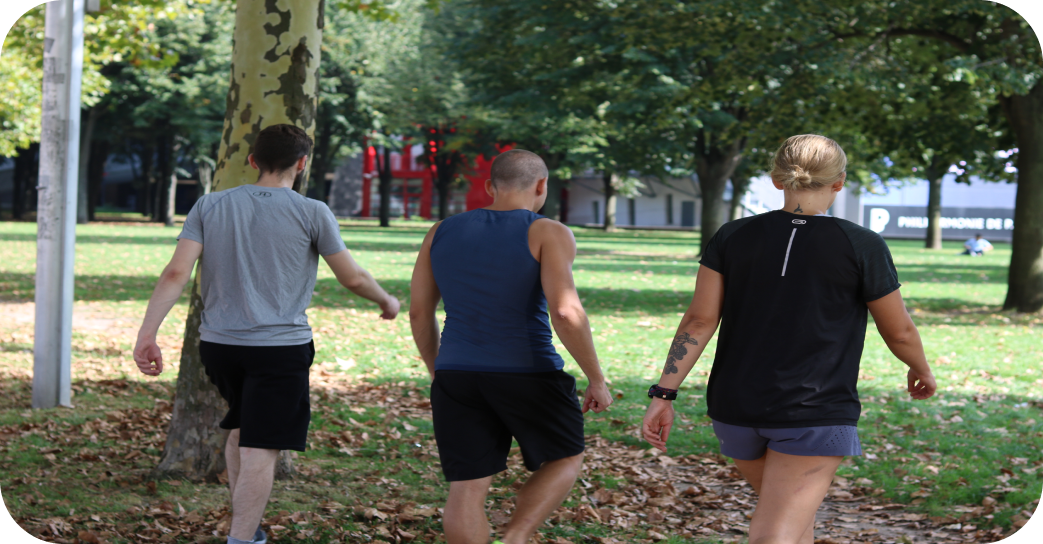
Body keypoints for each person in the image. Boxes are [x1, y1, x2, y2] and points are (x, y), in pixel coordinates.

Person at [641, 134, 937, 544]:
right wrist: (921, 369)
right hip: (814, 410)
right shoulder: (861, 245)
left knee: (793, 522)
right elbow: (899, 330)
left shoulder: (732, 236)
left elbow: (698, 321)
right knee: (777, 531)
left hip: (734, 408)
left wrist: (664, 393)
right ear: (839, 182)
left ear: (778, 180)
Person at [133, 124, 400, 544]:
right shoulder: (313, 212)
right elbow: (352, 277)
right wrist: (387, 301)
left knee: (241, 430)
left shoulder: (210, 205)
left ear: (253, 160)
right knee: (261, 446)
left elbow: (176, 272)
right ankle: (241, 540)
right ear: (302, 163)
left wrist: (147, 334)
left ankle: (248, 528)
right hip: (280, 349)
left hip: (219, 348)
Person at [409, 149, 613, 544]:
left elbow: (419, 313)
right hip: (529, 371)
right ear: (541, 186)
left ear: (490, 187)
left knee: (467, 487)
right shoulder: (548, 232)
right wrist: (596, 378)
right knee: (566, 455)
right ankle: (516, 536)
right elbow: (566, 312)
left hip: (457, 374)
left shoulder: (440, 231)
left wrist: (441, 372)